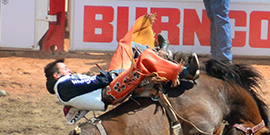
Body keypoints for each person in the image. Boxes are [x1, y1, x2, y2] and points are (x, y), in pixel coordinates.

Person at [45, 49, 199, 124]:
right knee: (143, 58)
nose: (69, 70)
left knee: (140, 56)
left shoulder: (64, 89)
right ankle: (182, 72)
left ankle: (167, 60)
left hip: (109, 92)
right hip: (110, 91)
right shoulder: (63, 85)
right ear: (56, 75)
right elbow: (93, 83)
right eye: (65, 69)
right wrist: (111, 75)